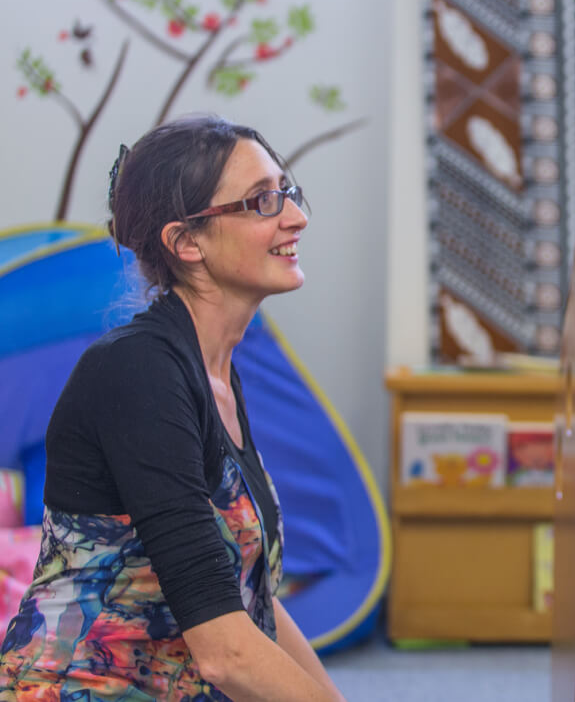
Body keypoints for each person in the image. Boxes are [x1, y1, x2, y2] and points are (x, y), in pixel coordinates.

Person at [0, 115, 347, 700]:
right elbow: (226, 653)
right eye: (262, 201)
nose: (296, 216)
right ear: (186, 242)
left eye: (287, 192)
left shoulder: (214, 371)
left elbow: (247, 599)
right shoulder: (139, 372)